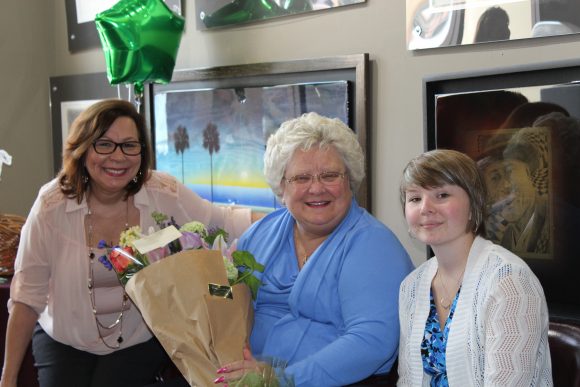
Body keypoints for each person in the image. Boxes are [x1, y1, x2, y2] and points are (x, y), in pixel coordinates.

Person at [0, 99, 262, 387]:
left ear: (142, 152)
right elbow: (26, 298)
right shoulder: (51, 206)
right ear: (83, 148)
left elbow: (226, 220)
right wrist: (8, 379)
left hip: (137, 340)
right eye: (104, 144)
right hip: (64, 338)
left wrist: (293, 217)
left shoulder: (163, 193)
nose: (118, 156)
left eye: (129, 145)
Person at [214, 112, 414, 386]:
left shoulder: (373, 245)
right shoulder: (258, 236)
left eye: (330, 175)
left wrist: (278, 380)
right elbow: (225, 305)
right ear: (282, 186)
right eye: (302, 178)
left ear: (349, 181)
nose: (317, 188)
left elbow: (371, 341)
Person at [397, 149, 552, 386]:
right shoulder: (411, 286)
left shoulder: (509, 281)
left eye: (442, 195)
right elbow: (408, 380)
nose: (425, 208)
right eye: (415, 198)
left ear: (474, 205)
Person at [477, 127, 550, 255]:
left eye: (509, 171)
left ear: (529, 173)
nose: (506, 186)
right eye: (495, 178)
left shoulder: (556, 222)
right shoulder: (506, 237)